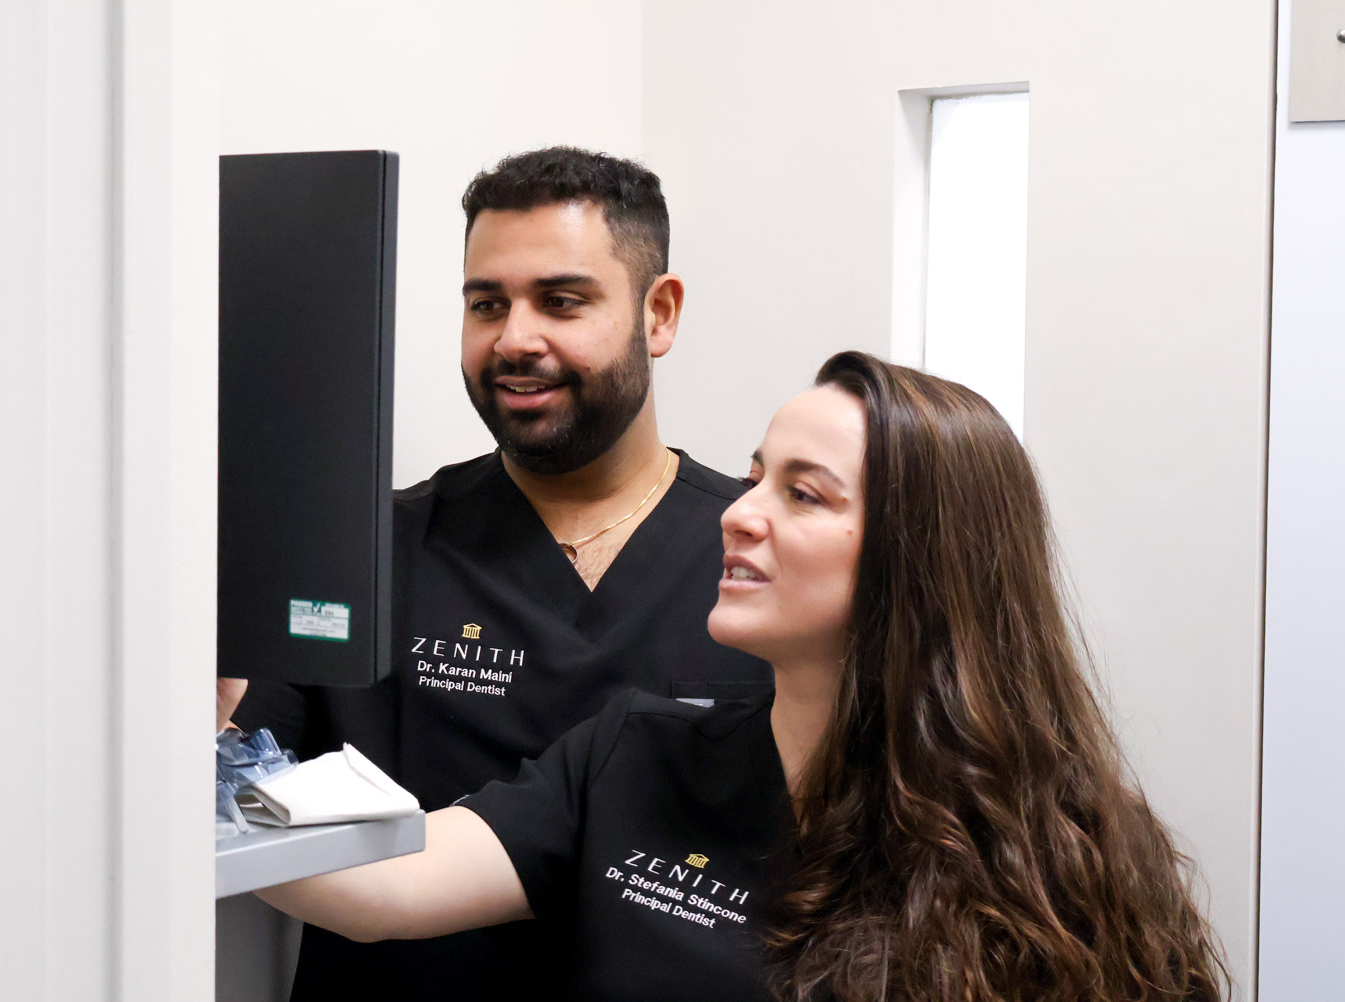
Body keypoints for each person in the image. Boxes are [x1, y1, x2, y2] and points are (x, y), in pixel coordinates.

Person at [226, 351, 1230, 1002]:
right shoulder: (634, 757)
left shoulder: (1063, 852)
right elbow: (385, 885)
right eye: (754, 475)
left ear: (918, 560)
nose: (741, 512)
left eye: (803, 493)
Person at [227, 147, 771, 999]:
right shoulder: (368, 551)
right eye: (487, 304)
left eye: (561, 301)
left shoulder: (759, 563)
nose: (515, 339)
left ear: (658, 314)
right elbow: (237, 794)